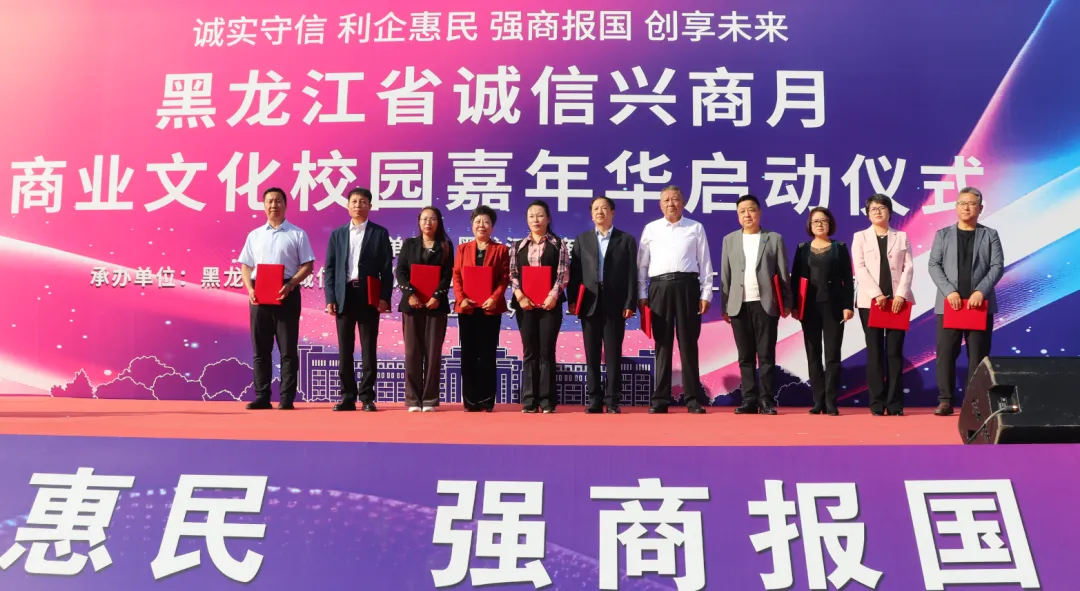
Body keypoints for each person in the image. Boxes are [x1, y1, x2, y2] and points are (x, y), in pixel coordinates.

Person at [637, 186, 713, 414]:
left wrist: (706, 293)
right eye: (666, 200)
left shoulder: (695, 227)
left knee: (688, 343)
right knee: (662, 344)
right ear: (660, 205)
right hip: (659, 288)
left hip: (688, 287)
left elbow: (705, 263)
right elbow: (642, 266)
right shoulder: (651, 229)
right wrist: (642, 294)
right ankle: (660, 399)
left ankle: (693, 399)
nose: (671, 203)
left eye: (676, 199)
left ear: (683, 202)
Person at [928, 187, 1003, 416]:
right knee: (946, 354)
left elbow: (997, 266)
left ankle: (974, 402)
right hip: (950, 305)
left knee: (978, 355)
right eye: (961, 203)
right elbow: (934, 265)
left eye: (971, 203)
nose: (966, 207)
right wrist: (949, 292)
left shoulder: (990, 234)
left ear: (980, 208)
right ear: (956, 207)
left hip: (978, 306)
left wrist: (981, 291)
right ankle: (945, 400)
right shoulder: (943, 234)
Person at [238, 188, 315, 410]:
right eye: (270, 201)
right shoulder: (254, 235)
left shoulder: (297, 234)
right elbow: (246, 265)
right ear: (264, 205)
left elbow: (308, 265)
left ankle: (286, 398)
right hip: (259, 294)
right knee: (261, 349)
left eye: (278, 201)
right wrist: (250, 289)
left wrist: (291, 284)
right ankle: (262, 396)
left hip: (287, 292)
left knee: (288, 349)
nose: (274, 205)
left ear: (285, 205)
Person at [720, 194, 792, 415]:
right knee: (745, 356)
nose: (747, 215)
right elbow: (725, 276)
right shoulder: (729, 240)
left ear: (759, 212)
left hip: (766, 304)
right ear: (737, 216)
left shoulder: (773, 238)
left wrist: (787, 302)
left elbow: (783, 273)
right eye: (742, 211)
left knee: (766, 355)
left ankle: (766, 400)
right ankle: (749, 399)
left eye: (751, 210)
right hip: (739, 305)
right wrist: (725, 306)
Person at [324, 188, 393, 412]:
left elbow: (386, 269)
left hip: (368, 296)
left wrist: (384, 297)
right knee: (345, 349)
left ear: (370, 206)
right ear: (347, 206)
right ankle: (347, 396)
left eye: (363, 202)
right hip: (344, 296)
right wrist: (330, 297)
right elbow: (330, 269)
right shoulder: (337, 234)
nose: (358, 205)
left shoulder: (379, 233)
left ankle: (367, 397)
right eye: (354, 201)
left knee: (368, 348)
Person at [568, 196, 638, 414]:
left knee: (613, 354)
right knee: (592, 355)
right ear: (591, 214)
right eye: (596, 209)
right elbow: (575, 273)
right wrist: (573, 300)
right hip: (589, 303)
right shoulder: (582, 240)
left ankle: (613, 400)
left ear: (612, 212)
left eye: (604, 208)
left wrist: (630, 302)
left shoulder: (625, 240)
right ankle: (594, 399)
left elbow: (631, 275)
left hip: (615, 303)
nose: (600, 212)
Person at [852, 194, 915, 416]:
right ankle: (877, 403)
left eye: (881, 208)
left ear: (889, 211)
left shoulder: (901, 236)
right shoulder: (860, 237)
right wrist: (877, 294)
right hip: (871, 303)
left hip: (898, 302)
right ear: (868, 214)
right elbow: (859, 268)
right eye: (873, 209)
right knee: (875, 352)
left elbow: (908, 267)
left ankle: (895, 403)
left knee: (895, 352)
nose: (877, 212)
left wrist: (901, 295)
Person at [790, 206, 854, 416]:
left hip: (834, 307)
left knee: (833, 355)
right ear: (810, 225)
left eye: (823, 221)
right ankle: (818, 400)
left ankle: (831, 401)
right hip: (809, 308)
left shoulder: (839, 247)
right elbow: (795, 279)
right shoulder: (802, 248)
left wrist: (848, 305)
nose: (819, 224)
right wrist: (794, 306)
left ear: (830, 224)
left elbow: (848, 279)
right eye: (815, 221)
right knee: (813, 354)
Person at [509, 200, 570, 414]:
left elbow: (563, 274)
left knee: (546, 351)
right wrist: (520, 296)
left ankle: (546, 401)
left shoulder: (558, 244)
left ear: (548, 219)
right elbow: (512, 274)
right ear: (527, 220)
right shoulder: (517, 246)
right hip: (524, 305)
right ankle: (529, 400)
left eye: (540, 215)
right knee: (529, 351)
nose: (536, 219)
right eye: (531, 216)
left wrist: (553, 296)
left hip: (550, 305)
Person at [452, 205, 511, 412]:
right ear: (472, 225)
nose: (481, 225)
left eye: (486, 222)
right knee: (468, 354)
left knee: (487, 354)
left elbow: (504, 278)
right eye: (478, 222)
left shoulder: (501, 250)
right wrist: (461, 298)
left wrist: (494, 298)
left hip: (490, 309)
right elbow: (456, 275)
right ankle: (470, 401)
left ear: (492, 226)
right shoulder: (463, 249)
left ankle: (486, 399)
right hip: (467, 309)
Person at [396, 207, 454, 412]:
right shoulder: (409, 244)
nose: (428, 223)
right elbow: (401, 271)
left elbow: (447, 274)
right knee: (412, 352)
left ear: (439, 222)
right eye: (424, 219)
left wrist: (437, 296)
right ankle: (413, 399)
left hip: (435, 306)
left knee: (432, 352)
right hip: (412, 305)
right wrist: (410, 294)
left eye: (432, 219)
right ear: (419, 222)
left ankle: (429, 399)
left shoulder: (445, 246)